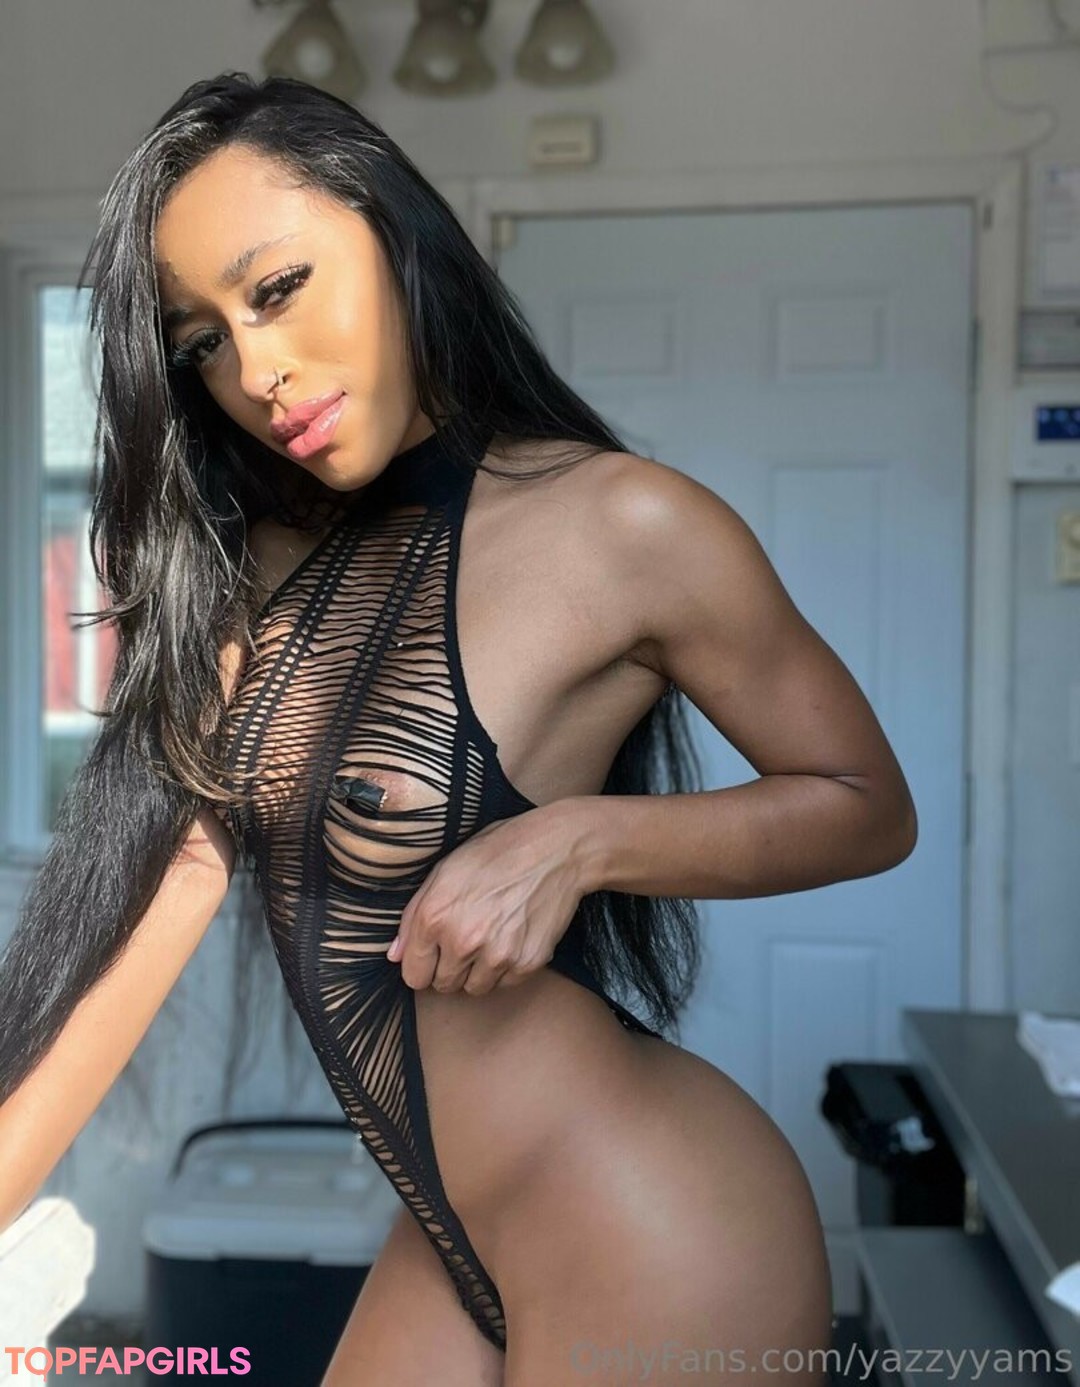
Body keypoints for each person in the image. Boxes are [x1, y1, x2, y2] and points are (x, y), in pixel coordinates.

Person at [0, 72, 917, 1386]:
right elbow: (147, 912)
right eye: (200, 342)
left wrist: (581, 842)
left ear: (392, 235)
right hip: (447, 1233)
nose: (255, 371)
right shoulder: (247, 579)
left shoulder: (626, 525)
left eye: (278, 289)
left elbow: (867, 804)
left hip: (654, 1214)